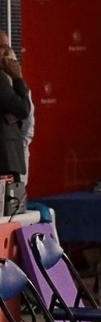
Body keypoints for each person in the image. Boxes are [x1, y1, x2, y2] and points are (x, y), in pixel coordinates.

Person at [0, 31, 32, 214]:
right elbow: (23, 109)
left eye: (7, 47)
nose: (6, 53)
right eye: (2, 48)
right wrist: (18, 77)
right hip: (5, 162)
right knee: (10, 216)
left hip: (8, 160)